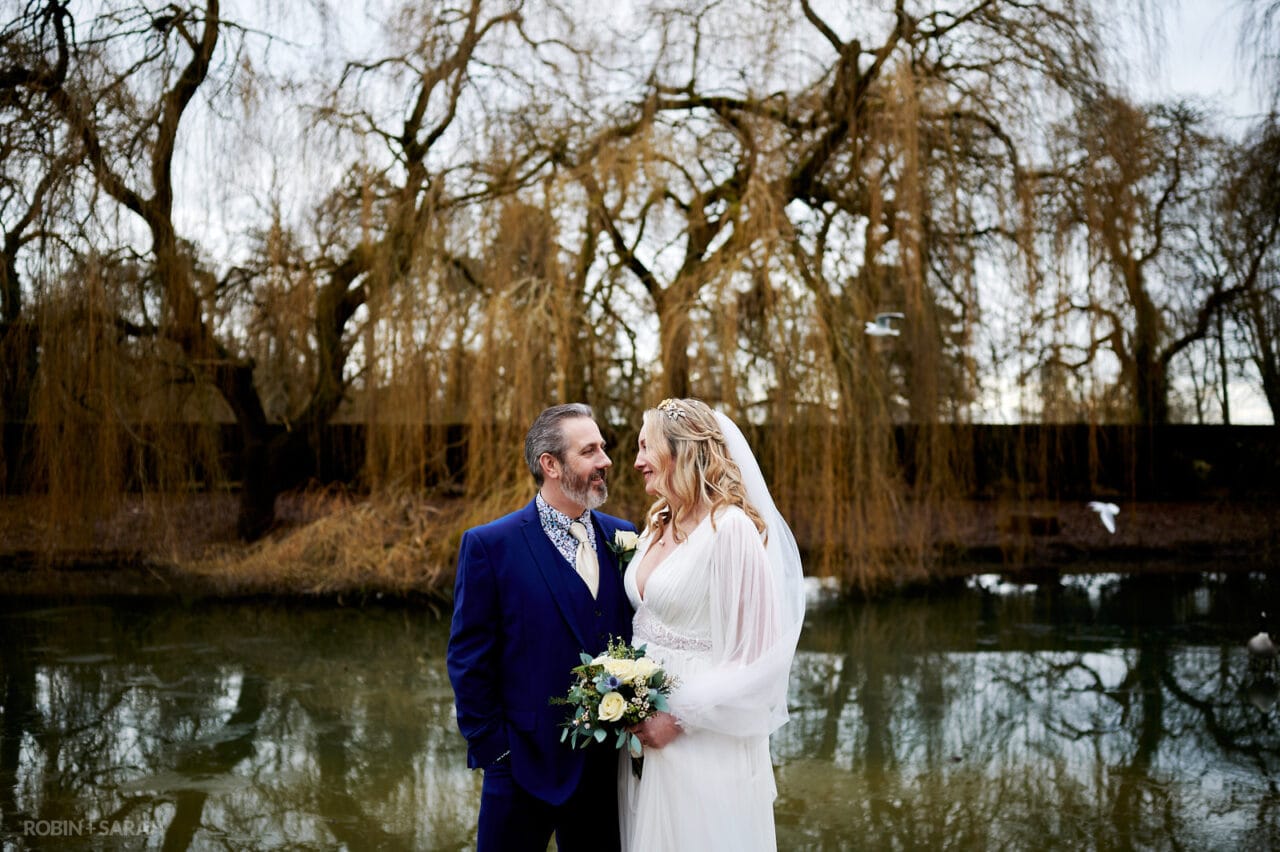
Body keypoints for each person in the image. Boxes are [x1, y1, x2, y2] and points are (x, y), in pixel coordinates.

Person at [447, 403, 636, 852]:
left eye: (603, 449)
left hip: (604, 774)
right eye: (589, 451)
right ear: (550, 465)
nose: (605, 461)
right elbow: (468, 661)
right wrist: (497, 752)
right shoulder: (490, 546)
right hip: (521, 769)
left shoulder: (623, 536)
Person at [619, 398, 805, 851]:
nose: (637, 460)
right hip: (641, 742)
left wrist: (677, 718)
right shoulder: (656, 526)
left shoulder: (732, 531)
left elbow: (761, 661)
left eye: (647, 447)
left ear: (681, 451)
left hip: (699, 741)